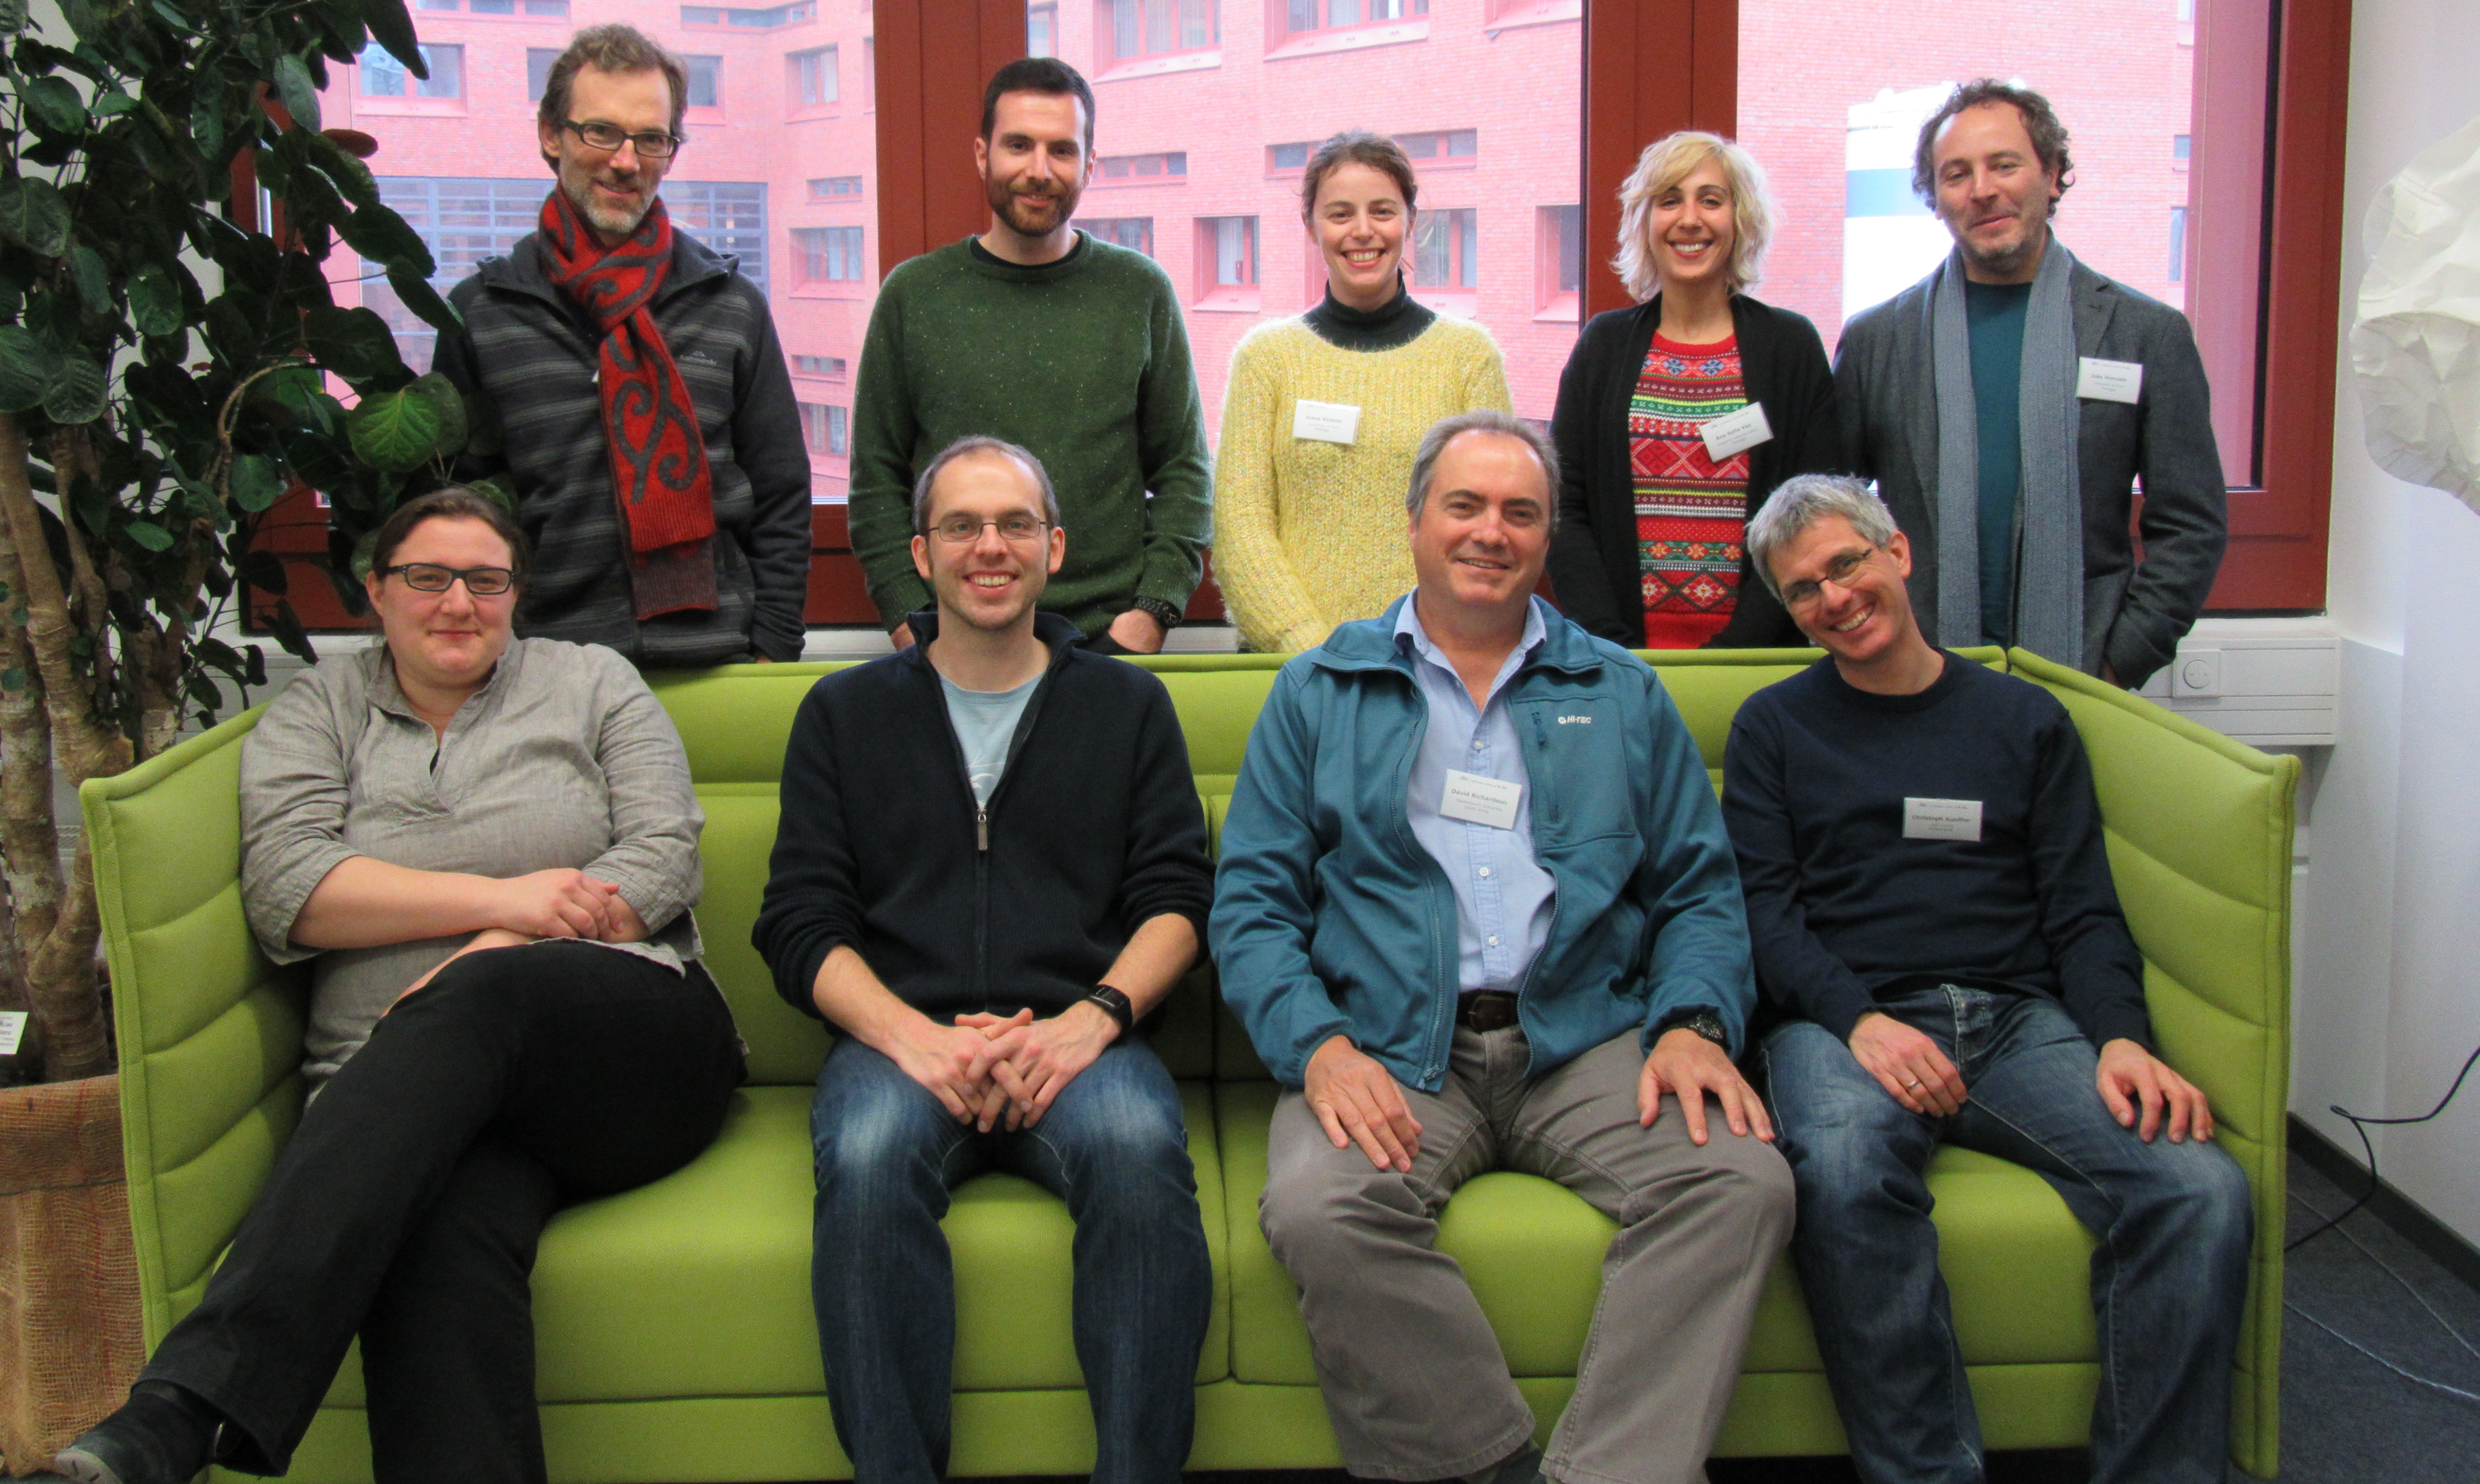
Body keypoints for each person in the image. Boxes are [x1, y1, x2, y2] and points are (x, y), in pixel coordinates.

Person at [53, 487, 743, 1484]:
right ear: (377, 592)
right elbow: (290, 889)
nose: (458, 602)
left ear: (517, 595)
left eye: (487, 580)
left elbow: (663, 858)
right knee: (436, 1236)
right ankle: (190, 1415)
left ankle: (182, 1407)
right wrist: (503, 899)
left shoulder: (592, 681)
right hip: (414, 1103)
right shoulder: (319, 709)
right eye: (428, 577)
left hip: (631, 1056)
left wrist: (495, 950)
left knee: (485, 995)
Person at [1211, 411, 1794, 1484]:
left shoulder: (1618, 690)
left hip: (1585, 1038)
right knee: (1319, 1208)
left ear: (1544, 536)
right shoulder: (1320, 689)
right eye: (1465, 506)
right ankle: (1485, 1466)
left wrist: (1694, 1022)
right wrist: (1320, 1047)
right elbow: (1251, 905)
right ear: (1414, 523)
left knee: (1742, 1182)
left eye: (1519, 512)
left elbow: (1699, 889)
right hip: (1393, 1046)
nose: (1491, 531)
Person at [1723, 473, 2252, 1484]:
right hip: (1844, 1024)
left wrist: (2122, 1038)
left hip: (2017, 1023)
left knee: (2199, 1189)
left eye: (1846, 564)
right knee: (1841, 1174)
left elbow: (2082, 909)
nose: (1834, 598)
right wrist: (1859, 1020)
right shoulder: (1773, 727)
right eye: (1803, 590)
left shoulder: (2025, 719)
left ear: (1897, 551)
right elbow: (1765, 916)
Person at [754, 436, 1214, 1484]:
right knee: (868, 1160)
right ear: (921, 554)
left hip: (1081, 1037)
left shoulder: (1129, 706)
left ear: (1055, 547)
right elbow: (799, 920)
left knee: (1139, 1154)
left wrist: (1090, 1020)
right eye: (960, 526)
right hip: (899, 1040)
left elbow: (1179, 902)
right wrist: (911, 1038)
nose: (989, 547)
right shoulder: (842, 713)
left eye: (1014, 524)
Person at [431, 22, 812, 667]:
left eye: (652, 139)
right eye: (601, 132)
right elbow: (454, 513)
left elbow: (781, 495)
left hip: (718, 663)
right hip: (544, 675)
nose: (627, 161)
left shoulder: (730, 306)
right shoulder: (484, 313)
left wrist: (772, 648)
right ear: (551, 135)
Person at [1832, 80, 2226, 687]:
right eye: (1957, 174)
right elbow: (1833, 515)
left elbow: (2191, 525)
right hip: (1913, 677)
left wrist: (2121, 657)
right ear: (1936, 199)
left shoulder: (2145, 335)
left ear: (2053, 174)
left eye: (2005, 165)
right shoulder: (1876, 342)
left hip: (2085, 676)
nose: (1983, 189)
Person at [847, 58, 1212, 653]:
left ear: (1088, 166)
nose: (1039, 171)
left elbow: (1185, 471)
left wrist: (1151, 614)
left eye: (1061, 151)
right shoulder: (914, 295)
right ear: (982, 155)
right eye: (1019, 145)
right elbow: (875, 480)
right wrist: (910, 625)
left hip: (1107, 647)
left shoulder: (1139, 290)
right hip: (953, 645)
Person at [1215, 130, 1511, 652]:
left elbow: (1493, 526)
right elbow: (1240, 527)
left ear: (1410, 220)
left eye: (1382, 211)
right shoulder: (1266, 359)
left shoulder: (1468, 359)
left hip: (1434, 663)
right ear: (1311, 226)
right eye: (1340, 214)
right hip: (1294, 668)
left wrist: (1427, 653)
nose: (1363, 231)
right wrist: (1313, 652)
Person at [1549, 131, 1838, 649]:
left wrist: (1737, 652)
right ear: (1645, 222)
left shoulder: (1790, 348)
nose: (1689, 219)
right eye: (1669, 201)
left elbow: (1814, 516)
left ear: (1741, 218)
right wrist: (1613, 646)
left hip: (1757, 660)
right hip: (1622, 657)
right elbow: (1564, 506)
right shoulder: (1603, 347)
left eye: (1711, 200)